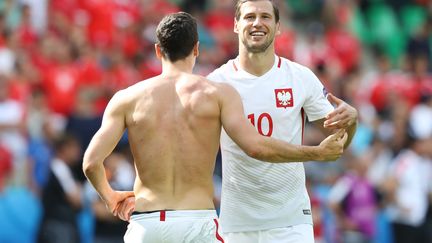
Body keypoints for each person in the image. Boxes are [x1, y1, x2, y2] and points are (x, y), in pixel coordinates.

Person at [82, 12, 347, 243]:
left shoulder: (127, 98)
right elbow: (254, 146)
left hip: (146, 223)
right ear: (196, 49)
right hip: (197, 222)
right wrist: (316, 153)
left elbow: (91, 163)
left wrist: (110, 197)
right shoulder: (217, 94)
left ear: (157, 50)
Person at [206, 1, 358, 242]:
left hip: (291, 223)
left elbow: (338, 145)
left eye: (265, 17)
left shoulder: (300, 77)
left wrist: (351, 121)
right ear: (236, 25)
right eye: (249, 17)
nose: (257, 23)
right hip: (237, 224)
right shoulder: (216, 83)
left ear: (278, 27)